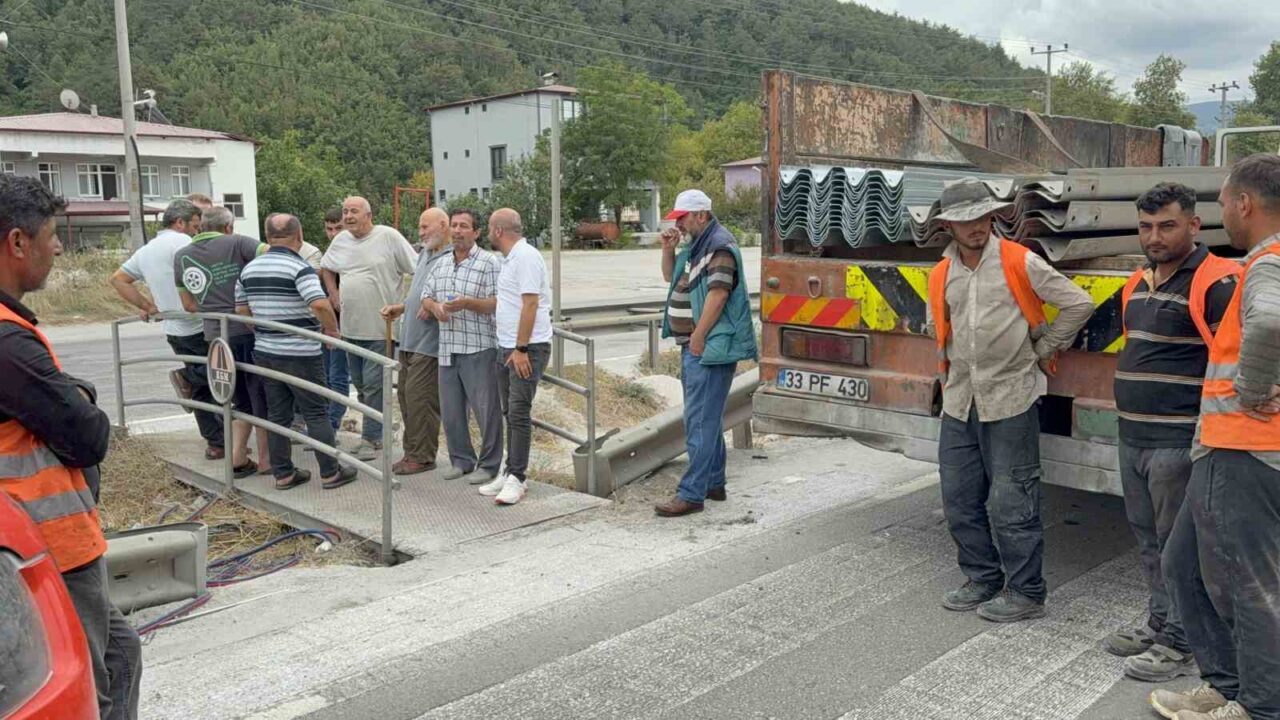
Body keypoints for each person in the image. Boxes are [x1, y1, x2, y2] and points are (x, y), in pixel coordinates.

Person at [0, 175, 142, 720]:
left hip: (35, 543)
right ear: (17, 243)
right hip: (45, 546)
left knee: (120, 651)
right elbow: (88, 435)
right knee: (83, 685)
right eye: (52, 235)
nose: (57, 248)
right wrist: (79, 397)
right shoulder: (8, 341)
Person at [926, 178, 1093, 623]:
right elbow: (940, 331)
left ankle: (1026, 591)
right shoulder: (940, 273)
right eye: (965, 220)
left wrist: (1043, 348)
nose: (977, 227)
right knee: (959, 498)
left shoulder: (1019, 261)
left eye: (982, 217)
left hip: (1012, 397)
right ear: (947, 226)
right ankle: (982, 577)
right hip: (960, 400)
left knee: (1012, 500)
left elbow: (1078, 303)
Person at [1152, 154, 1280, 720]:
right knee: (1182, 564)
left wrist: (1252, 389)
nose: (1224, 211)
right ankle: (1225, 684)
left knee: (1244, 582)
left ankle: (1257, 705)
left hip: (1243, 449)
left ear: (1245, 204)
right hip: (1227, 450)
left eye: (1225, 201)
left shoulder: (1267, 265)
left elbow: (1271, 323)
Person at [1106, 183, 1239, 684]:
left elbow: (1237, 360)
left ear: (1194, 225)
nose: (1154, 236)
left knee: (1179, 547)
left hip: (1178, 442)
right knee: (1146, 540)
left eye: (1166, 225)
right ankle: (1160, 623)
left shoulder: (1217, 282)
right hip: (1133, 436)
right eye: (1146, 226)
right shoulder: (1137, 283)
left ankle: (1180, 643)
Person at [653, 189, 758, 517]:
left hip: (709, 347)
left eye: (682, 218)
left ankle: (691, 494)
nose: (679, 225)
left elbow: (718, 295)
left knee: (699, 421)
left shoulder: (719, 246)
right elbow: (671, 277)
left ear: (700, 215)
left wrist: (698, 337)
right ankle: (713, 482)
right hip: (698, 346)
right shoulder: (698, 244)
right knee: (706, 420)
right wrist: (668, 249)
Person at [235, 214, 357, 490]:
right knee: (316, 412)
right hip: (301, 352)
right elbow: (320, 304)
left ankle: (284, 474)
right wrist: (332, 332)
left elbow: (241, 309)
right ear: (299, 236)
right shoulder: (298, 267)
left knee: (278, 414)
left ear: (267, 237)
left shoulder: (249, 269)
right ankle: (330, 472)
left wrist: (264, 331)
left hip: (265, 351)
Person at [109, 199, 226, 460]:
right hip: (200, 325)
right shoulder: (186, 244)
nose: (197, 232)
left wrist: (148, 305)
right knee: (221, 378)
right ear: (180, 222)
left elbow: (119, 279)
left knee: (203, 388)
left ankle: (217, 442)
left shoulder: (147, 250)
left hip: (174, 328)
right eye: (195, 226)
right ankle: (190, 383)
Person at [174, 205, 269, 477]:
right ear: (228, 227)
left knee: (235, 398)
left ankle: (237, 456)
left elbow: (188, 304)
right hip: (246, 333)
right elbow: (274, 255)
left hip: (214, 337)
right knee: (259, 394)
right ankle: (266, 460)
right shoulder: (238, 242)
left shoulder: (182, 256)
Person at [319, 197, 417, 461]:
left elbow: (417, 269)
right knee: (361, 384)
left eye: (354, 211)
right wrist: (333, 291)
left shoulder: (388, 237)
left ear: (369, 214)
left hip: (381, 327)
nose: (348, 216)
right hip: (351, 327)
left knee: (375, 384)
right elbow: (326, 267)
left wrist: (406, 304)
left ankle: (373, 438)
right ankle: (381, 427)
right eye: (345, 211)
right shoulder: (341, 240)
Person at [422, 208, 504, 483]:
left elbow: (497, 303)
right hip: (448, 347)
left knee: (485, 410)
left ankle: (490, 465)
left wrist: (467, 303)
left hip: (479, 347)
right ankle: (461, 460)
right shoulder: (442, 263)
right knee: (452, 411)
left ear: (477, 232)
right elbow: (426, 296)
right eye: (454, 226)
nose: (457, 231)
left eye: (464, 226)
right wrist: (434, 307)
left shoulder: (489, 263)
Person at [476, 208, 552, 505]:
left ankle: (518, 478)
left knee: (519, 413)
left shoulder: (526, 257)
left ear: (497, 231)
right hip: (506, 346)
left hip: (526, 348)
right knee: (509, 411)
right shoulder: (509, 259)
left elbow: (531, 304)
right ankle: (509, 472)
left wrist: (521, 349)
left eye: (489, 228)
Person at [379, 207, 452, 476]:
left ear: (444, 226)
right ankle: (412, 452)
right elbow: (419, 293)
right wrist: (403, 306)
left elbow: (449, 298)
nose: (421, 233)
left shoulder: (450, 258)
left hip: (429, 343)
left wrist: (431, 305)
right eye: (420, 227)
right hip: (409, 339)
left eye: (426, 227)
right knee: (407, 398)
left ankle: (422, 456)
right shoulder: (425, 255)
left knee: (421, 400)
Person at [322, 206, 349, 430]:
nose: (334, 234)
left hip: (347, 325)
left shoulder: (352, 250)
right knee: (327, 375)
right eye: (329, 229)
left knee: (338, 375)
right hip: (327, 323)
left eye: (338, 228)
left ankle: (332, 424)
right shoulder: (328, 253)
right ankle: (328, 422)